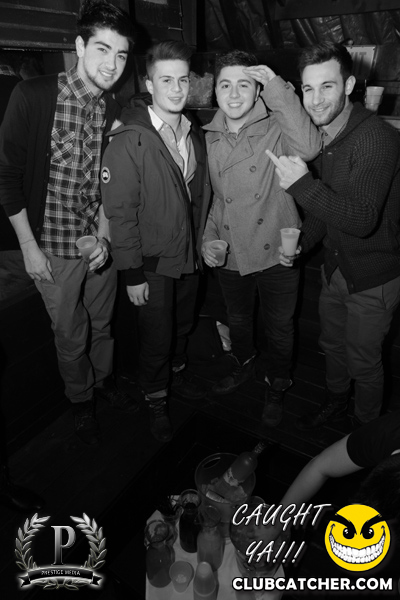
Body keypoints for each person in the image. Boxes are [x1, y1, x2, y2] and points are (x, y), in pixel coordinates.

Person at [0, 0, 136, 446]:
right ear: (79, 46)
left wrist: (105, 235)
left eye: (121, 54)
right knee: (71, 334)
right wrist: (28, 247)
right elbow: (6, 175)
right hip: (53, 247)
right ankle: (81, 399)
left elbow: (108, 181)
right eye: (102, 49)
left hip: (98, 243)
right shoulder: (35, 95)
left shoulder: (112, 107)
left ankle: (104, 381)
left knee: (103, 323)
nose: (112, 64)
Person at [267, 42, 400, 428]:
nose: (315, 99)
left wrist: (302, 185)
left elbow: (361, 219)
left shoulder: (376, 138)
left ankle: (365, 434)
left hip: (374, 276)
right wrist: (302, 243)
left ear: (350, 85)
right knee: (333, 346)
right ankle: (336, 401)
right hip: (336, 270)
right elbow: (328, 212)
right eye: (308, 88)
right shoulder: (326, 138)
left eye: (327, 86)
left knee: (364, 361)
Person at [201, 50, 321, 428]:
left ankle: (277, 383)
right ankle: (244, 363)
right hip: (231, 249)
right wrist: (208, 238)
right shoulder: (208, 135)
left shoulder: (277, 127)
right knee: (238, 319)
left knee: (280, 328)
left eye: (245, 84)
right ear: (215, 91)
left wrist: (274, 85)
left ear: (257, 91)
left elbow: (310, 147)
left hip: (277, 250)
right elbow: (216, 198)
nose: (234, 94)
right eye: (225, 85)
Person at [101, 41, 211, 443]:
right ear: (149, 84)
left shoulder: (192, 129)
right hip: (151, 262)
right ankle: (156, 399)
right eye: (166, 80)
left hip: (188, 254)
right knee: (155, 337)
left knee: (182, 324)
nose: (177, 89)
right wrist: (132, 273)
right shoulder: (129, 139)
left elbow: (197, 195)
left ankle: (176, 374)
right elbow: (120, 213)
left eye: (183, 79)